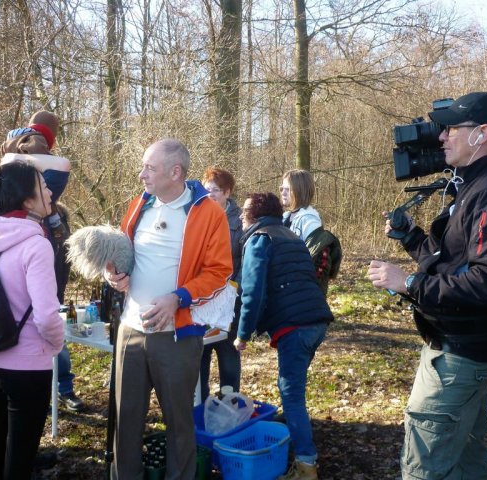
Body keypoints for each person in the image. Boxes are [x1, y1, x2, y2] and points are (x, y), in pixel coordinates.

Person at [367, 92, 487, 479]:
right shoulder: (472, 189)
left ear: (482, 134)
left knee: (424, 469)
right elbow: (451, 264)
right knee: (465, 463)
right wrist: (411, 238)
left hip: (460, 356)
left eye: (452, 128)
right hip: (457, 348)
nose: (442, 137)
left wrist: (407, 282)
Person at [104, 139, 233, 479]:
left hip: (176, 336)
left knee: (178, 423)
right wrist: (114, 272)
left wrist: (178, 298)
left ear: (175, 172)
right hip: (130, 331)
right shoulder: (138, 205)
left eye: (150, 167)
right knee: (125, 419)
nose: (141, 174)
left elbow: (219, 272)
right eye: (143, 166)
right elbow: (122, 252)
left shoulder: (208, 213)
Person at [234, 192, 333, 480]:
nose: (241, 216)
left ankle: (306, 465)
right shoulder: (291, 236)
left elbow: (253, 292)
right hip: (316, 321)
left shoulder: (259, 239)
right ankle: (294, 439)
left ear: (254, 214)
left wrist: (243, 334)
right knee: (292, 388)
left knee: (291, 395)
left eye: (244, 212)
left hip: (296, 325)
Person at [0, 161, 64, 479]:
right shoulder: (36, 245)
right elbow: (46, 315)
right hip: (27, 366)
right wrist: (56, 344)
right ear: (27, 201)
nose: (50, 191)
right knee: (21, 455)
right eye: (43, 187)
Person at [1, 111, 85, 412]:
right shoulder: (10, 210)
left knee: (46, 323)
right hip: (26, 281)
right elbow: (61, 167)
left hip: (48, 280)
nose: (48, 192)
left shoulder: (52, 213)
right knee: (39, 329)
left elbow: (62, 243)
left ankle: (63, 387)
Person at [199, 166, 242, 401]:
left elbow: (247, 261)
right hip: (203, 298)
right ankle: (201, 401)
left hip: (230, 299)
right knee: (201, 351)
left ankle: (230, 401)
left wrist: (236, 291)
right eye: (207, 190)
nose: (210, 194)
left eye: (215, 190)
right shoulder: (198, 216)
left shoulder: (240, 221)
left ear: (227, 192)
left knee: (228, 352)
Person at [280, 169, 322, 241]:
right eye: (282, 189)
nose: (283, 193)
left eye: (288, 189)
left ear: (299, 191)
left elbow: (314, 251)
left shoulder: (309, 221)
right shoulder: (284, 218)